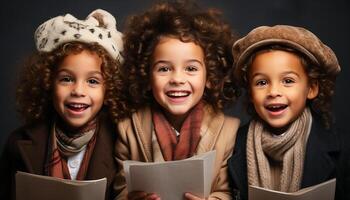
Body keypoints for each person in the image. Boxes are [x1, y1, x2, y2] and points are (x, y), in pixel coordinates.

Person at [114, 1, 240, 199]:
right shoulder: (127, 129)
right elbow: (120, 190)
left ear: (210, 77)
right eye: (164, 69)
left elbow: (226, 191)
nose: (177, 79)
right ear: (146, 76)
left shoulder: (229, 131)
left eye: (191, 68)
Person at [0, 9, 124, 200]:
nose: (78, 91)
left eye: (92, 81)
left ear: (109, 89)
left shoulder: (122, 142)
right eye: (66, 79)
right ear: (48, 82)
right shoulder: (17, 144)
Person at [227, 25, 350, 200]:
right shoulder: (233, 143)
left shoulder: (342, 148)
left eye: (288, 80)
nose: (274, 91)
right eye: (261, 82)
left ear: (312, 88)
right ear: (251, 93)